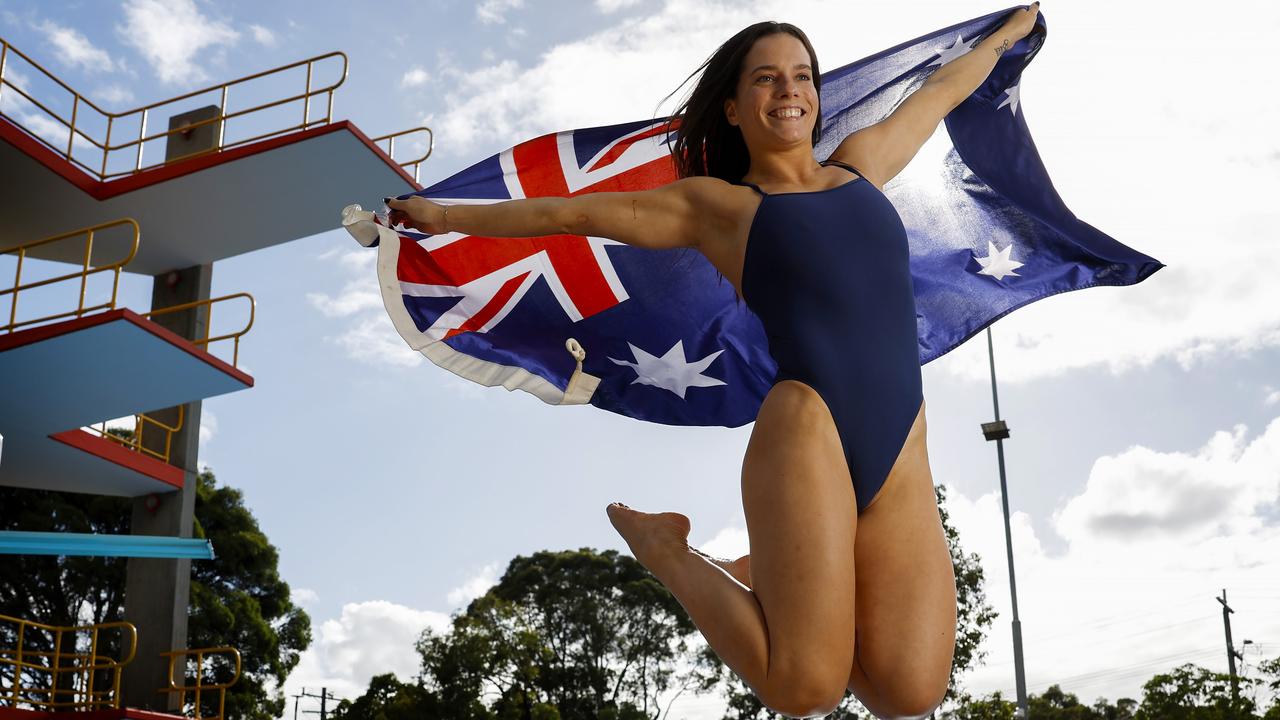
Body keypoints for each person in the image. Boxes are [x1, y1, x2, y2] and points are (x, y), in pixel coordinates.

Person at [388, 5, 1041, 717]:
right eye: (766, 79)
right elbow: (572, 215)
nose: (788, 90)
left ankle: (765, 575)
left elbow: (940, 92)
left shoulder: (862, 162)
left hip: (902, 446)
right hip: (807, 428)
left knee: (906, 693)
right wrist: (447, 217)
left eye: (801, 76)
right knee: (805, 690)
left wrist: (1006, 35)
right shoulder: (719, 208)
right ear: (732, 108)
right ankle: (666, 548)